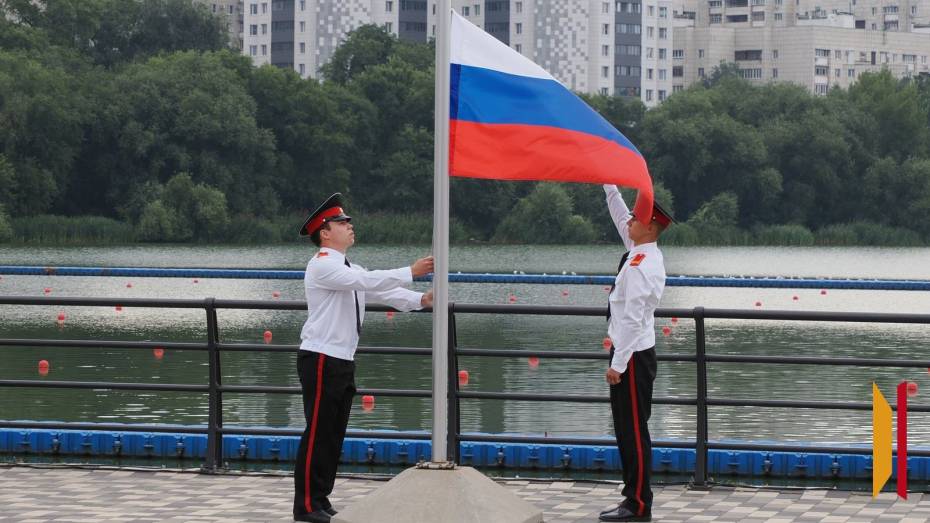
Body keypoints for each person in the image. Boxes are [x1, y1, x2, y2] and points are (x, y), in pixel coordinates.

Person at [292, 193, 434, 523]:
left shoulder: (347, 267)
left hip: (340, 359)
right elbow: (367, 281)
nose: (349, 225)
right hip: (322, 357)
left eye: (347, 221)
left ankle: (321, 500)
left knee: (332, 433)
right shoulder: (323, 264)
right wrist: (410, 271)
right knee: (317, 433)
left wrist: (421, 300)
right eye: (342, 222)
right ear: (324, 232)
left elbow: (377, 290)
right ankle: (307, 506)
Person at [599, 185, 673, 523]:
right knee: (627, 429)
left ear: (650, 227)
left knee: (632, 431)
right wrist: (609, 184)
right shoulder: (639, 251)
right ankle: (633, 498)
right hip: (630, 352)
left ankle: (639, 504)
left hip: (631, 356)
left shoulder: (643, 265)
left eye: (636, 218)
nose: (629, 220)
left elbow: (633, 318)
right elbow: (619, 216)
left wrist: (617, 363)